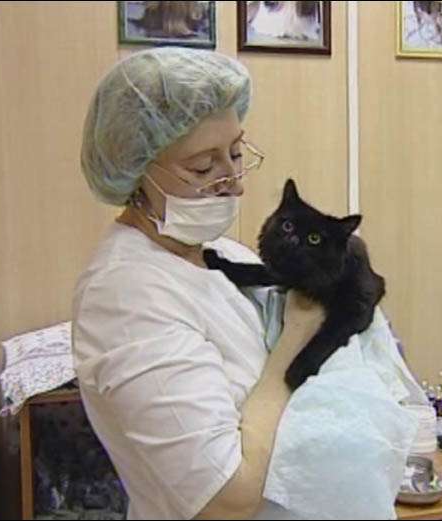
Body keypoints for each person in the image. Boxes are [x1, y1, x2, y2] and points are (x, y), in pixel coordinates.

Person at [73, 47, 325, 520]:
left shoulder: (224, 255)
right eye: (204, 168)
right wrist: (296, 344)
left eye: (235, 154)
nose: (234, 184)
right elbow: (226, 499)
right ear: (137, 168)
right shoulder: (124, 296)